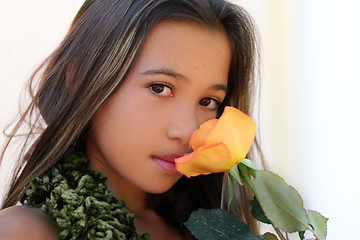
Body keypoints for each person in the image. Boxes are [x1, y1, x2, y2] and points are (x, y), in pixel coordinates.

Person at [0, 0, 261, 239]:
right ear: (80, 80)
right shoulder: (22, 232)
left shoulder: (217, 230)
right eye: (159, 88)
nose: (188, 130)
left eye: (208, 102)